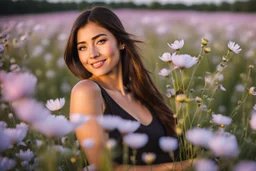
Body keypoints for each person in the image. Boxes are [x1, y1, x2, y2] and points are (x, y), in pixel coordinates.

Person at [64, 6, 192, 171]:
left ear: (121, 42)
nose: (92, 54)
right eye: (82, 47)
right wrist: (183, 167)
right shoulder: (86, 91)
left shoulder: (142, 93)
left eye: (100, 41)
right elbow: (104, 168)